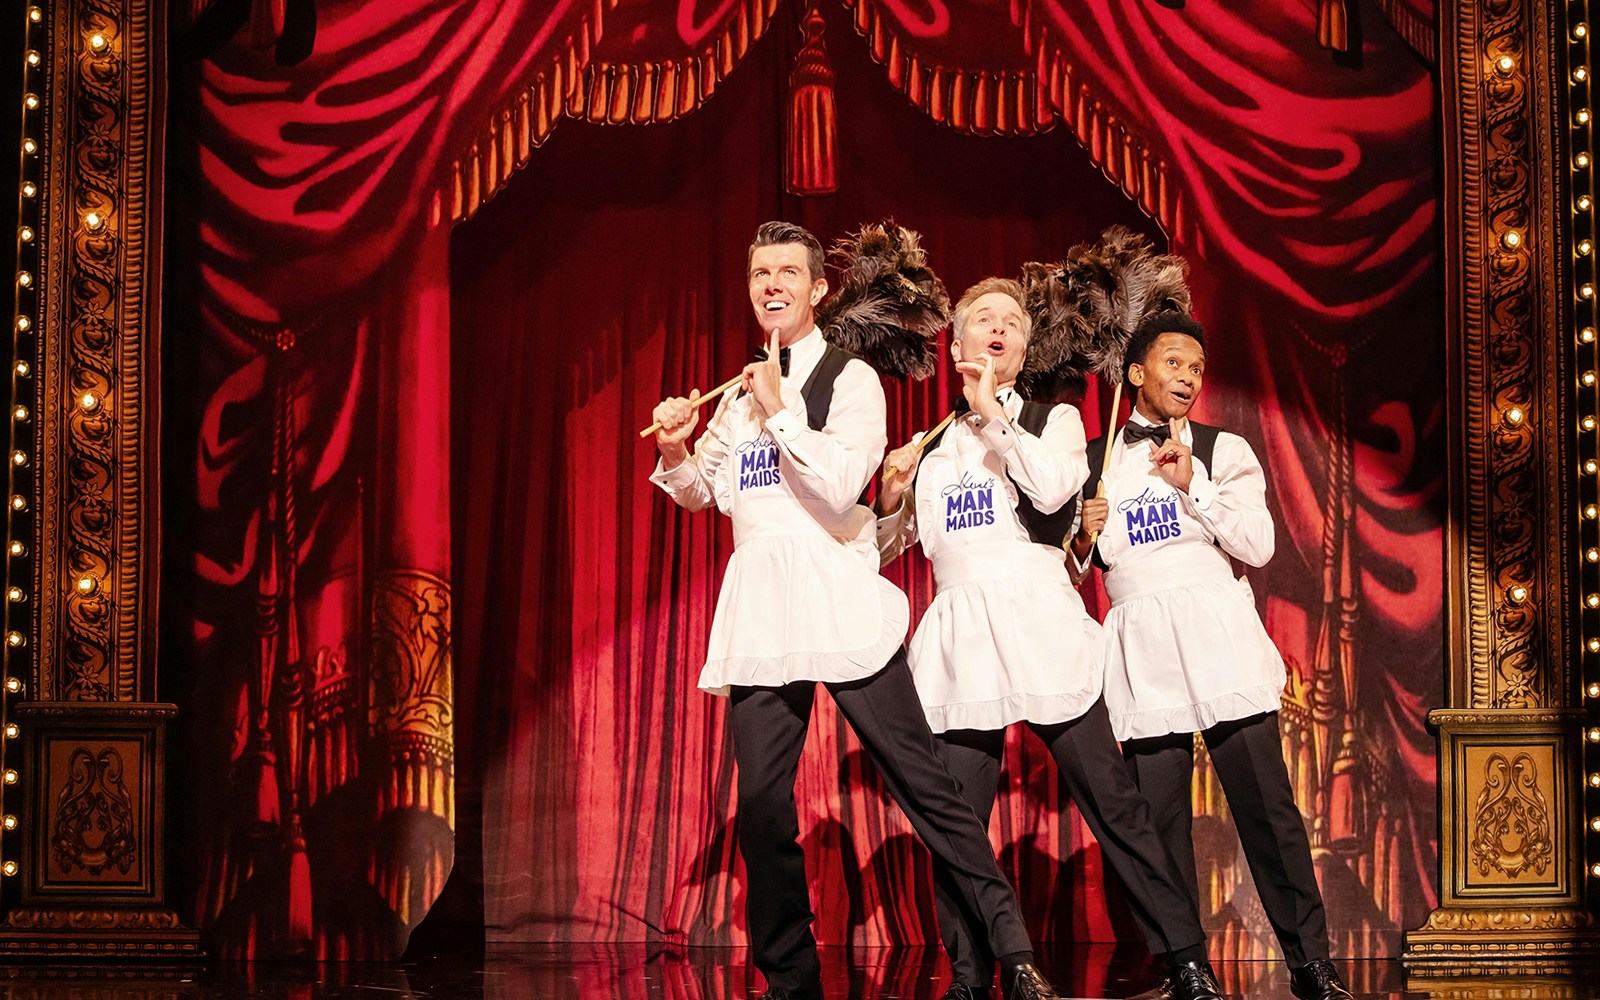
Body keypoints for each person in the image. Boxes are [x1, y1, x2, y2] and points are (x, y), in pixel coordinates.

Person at [650, 223, 1060, 1000]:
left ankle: (1012, 950)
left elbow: (840, 487)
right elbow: (709, 493)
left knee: (926, 787)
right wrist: (676, 450)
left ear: (816, 290)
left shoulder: (849, 381)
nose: (772, 284)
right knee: (764, 804)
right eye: (760, 272)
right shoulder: (735, 398)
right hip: (764, 607)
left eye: (787, 273)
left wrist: (777, 411)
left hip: (836, 596)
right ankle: (791, 977)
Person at [874, 279, 1222, 1000]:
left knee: (1114, 803)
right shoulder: (929, 447)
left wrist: (990, 418)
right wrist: (889, 495)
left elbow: (1057, 488)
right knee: (959, 820)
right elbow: (888, 546)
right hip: (961, 634)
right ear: (957, 344)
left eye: (1011, 322)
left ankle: (1186, 959)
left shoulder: (1052, 419)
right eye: (983, 321)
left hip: (1040, 619)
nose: (997, 330)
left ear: (1025, 348)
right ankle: (973, 977)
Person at [1068, 311, 1354, 1000]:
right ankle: (1185, 966)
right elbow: (1072, 571)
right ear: (1136, 373)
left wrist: (1190, 486)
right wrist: (1082, 536)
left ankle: (1312, 966)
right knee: (1156, 821)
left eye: (1196, 368)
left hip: (1217, 637)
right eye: (1174, 363)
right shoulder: (1091, 461)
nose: (1189, 378)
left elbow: (1258, 547)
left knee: (1268, 811)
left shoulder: (1225, 451)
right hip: (1141, 645)